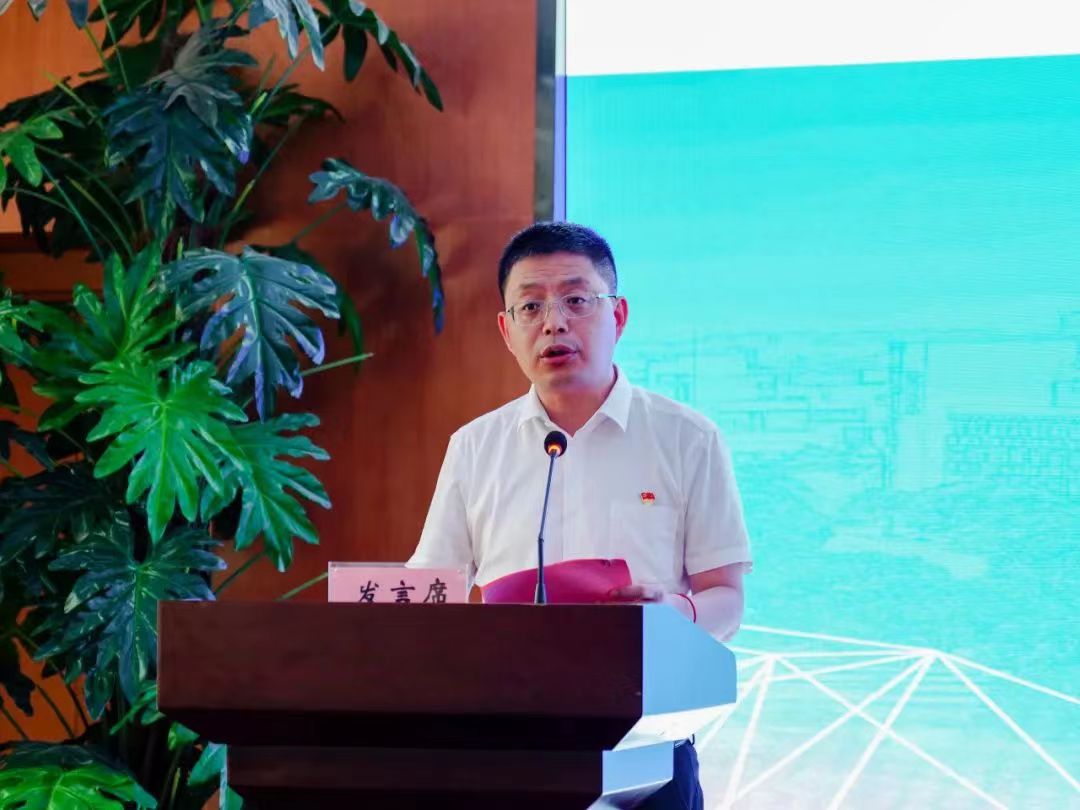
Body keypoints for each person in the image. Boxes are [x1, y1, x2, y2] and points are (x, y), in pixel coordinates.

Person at [408, 221, 752, 809]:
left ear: (618, 315)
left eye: (576, 300)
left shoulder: (687, 438)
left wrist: (675, 613)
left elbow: (728, 598)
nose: (554, 323)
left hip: (650, 746)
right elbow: (431, 589)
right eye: (531, 306)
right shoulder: (475, 447)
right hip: (509, 744)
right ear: (507, 330)